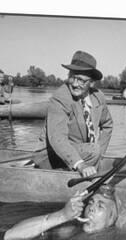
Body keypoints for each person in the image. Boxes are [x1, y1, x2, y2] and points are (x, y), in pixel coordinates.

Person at [41, 50, 113, 178]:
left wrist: (100, 154)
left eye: (81, 80)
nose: (74, 84)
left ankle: (90, 173)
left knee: (95, 150)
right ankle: (75, 177)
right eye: (72, 77)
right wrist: (80, 165)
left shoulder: (98, 97)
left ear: (91, 82)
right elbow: (58, 138)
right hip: (52, 155)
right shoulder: (60, 98)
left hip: (85, 153)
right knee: (93, 150)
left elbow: (107, 125)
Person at [1, 185, 126, 240]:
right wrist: (63, 215)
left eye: (100, 206)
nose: (91, 208)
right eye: (90, 203)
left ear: (112, 218)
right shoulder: (69, 231)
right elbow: (9, 236)